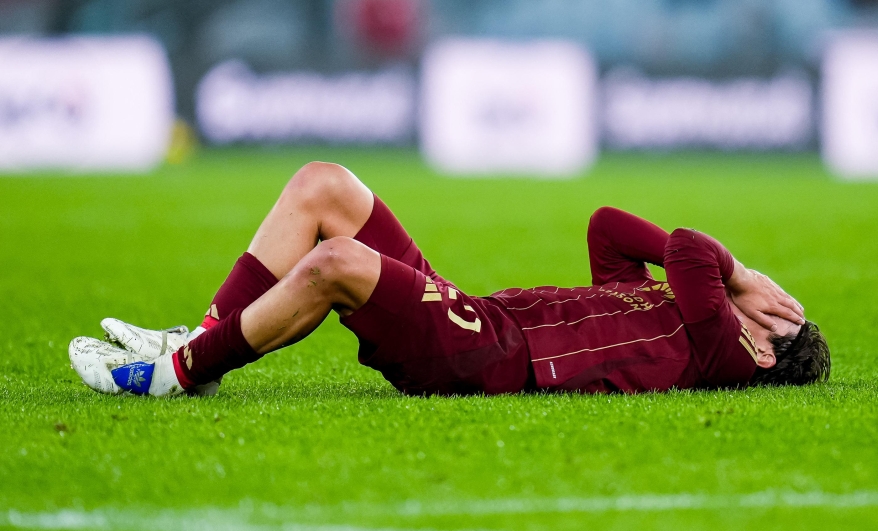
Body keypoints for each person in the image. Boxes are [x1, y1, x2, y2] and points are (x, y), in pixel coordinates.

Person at [69, 162, 830, 397]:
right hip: (475, 316)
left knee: (335, 265)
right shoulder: (670, 309)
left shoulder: (720, 353)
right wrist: (730, 282)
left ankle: (176, 372)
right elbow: (606, 224)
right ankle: (204, 335)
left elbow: (694, 248)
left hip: (492, 358)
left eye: (776, 316)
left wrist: (742, 274)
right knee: (324, 185)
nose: (762, 305)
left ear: (763, 353)